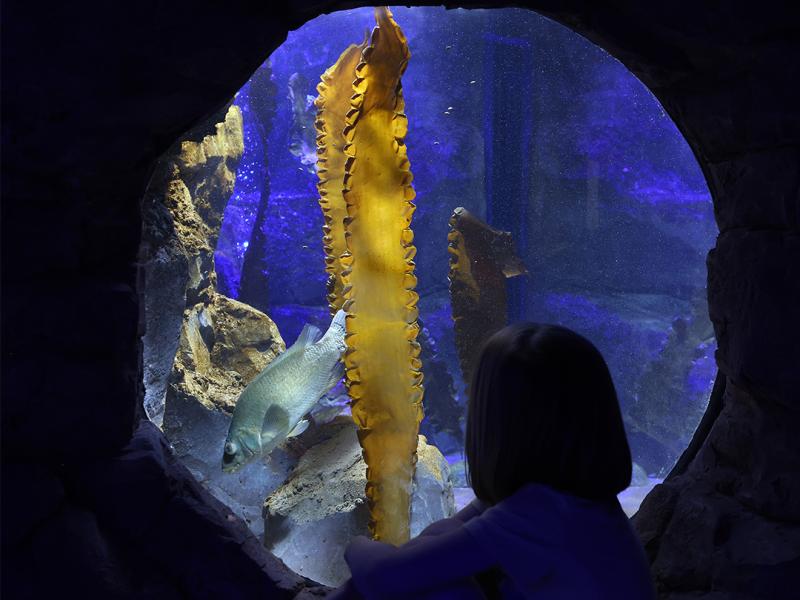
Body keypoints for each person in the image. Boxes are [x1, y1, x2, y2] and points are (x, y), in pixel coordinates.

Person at [328, 323, 656, 599]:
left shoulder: (537, 515)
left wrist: (354, 546)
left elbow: (384, 575)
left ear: (496, 427)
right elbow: (444, 532)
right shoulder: (574, 503)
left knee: (437, 589)